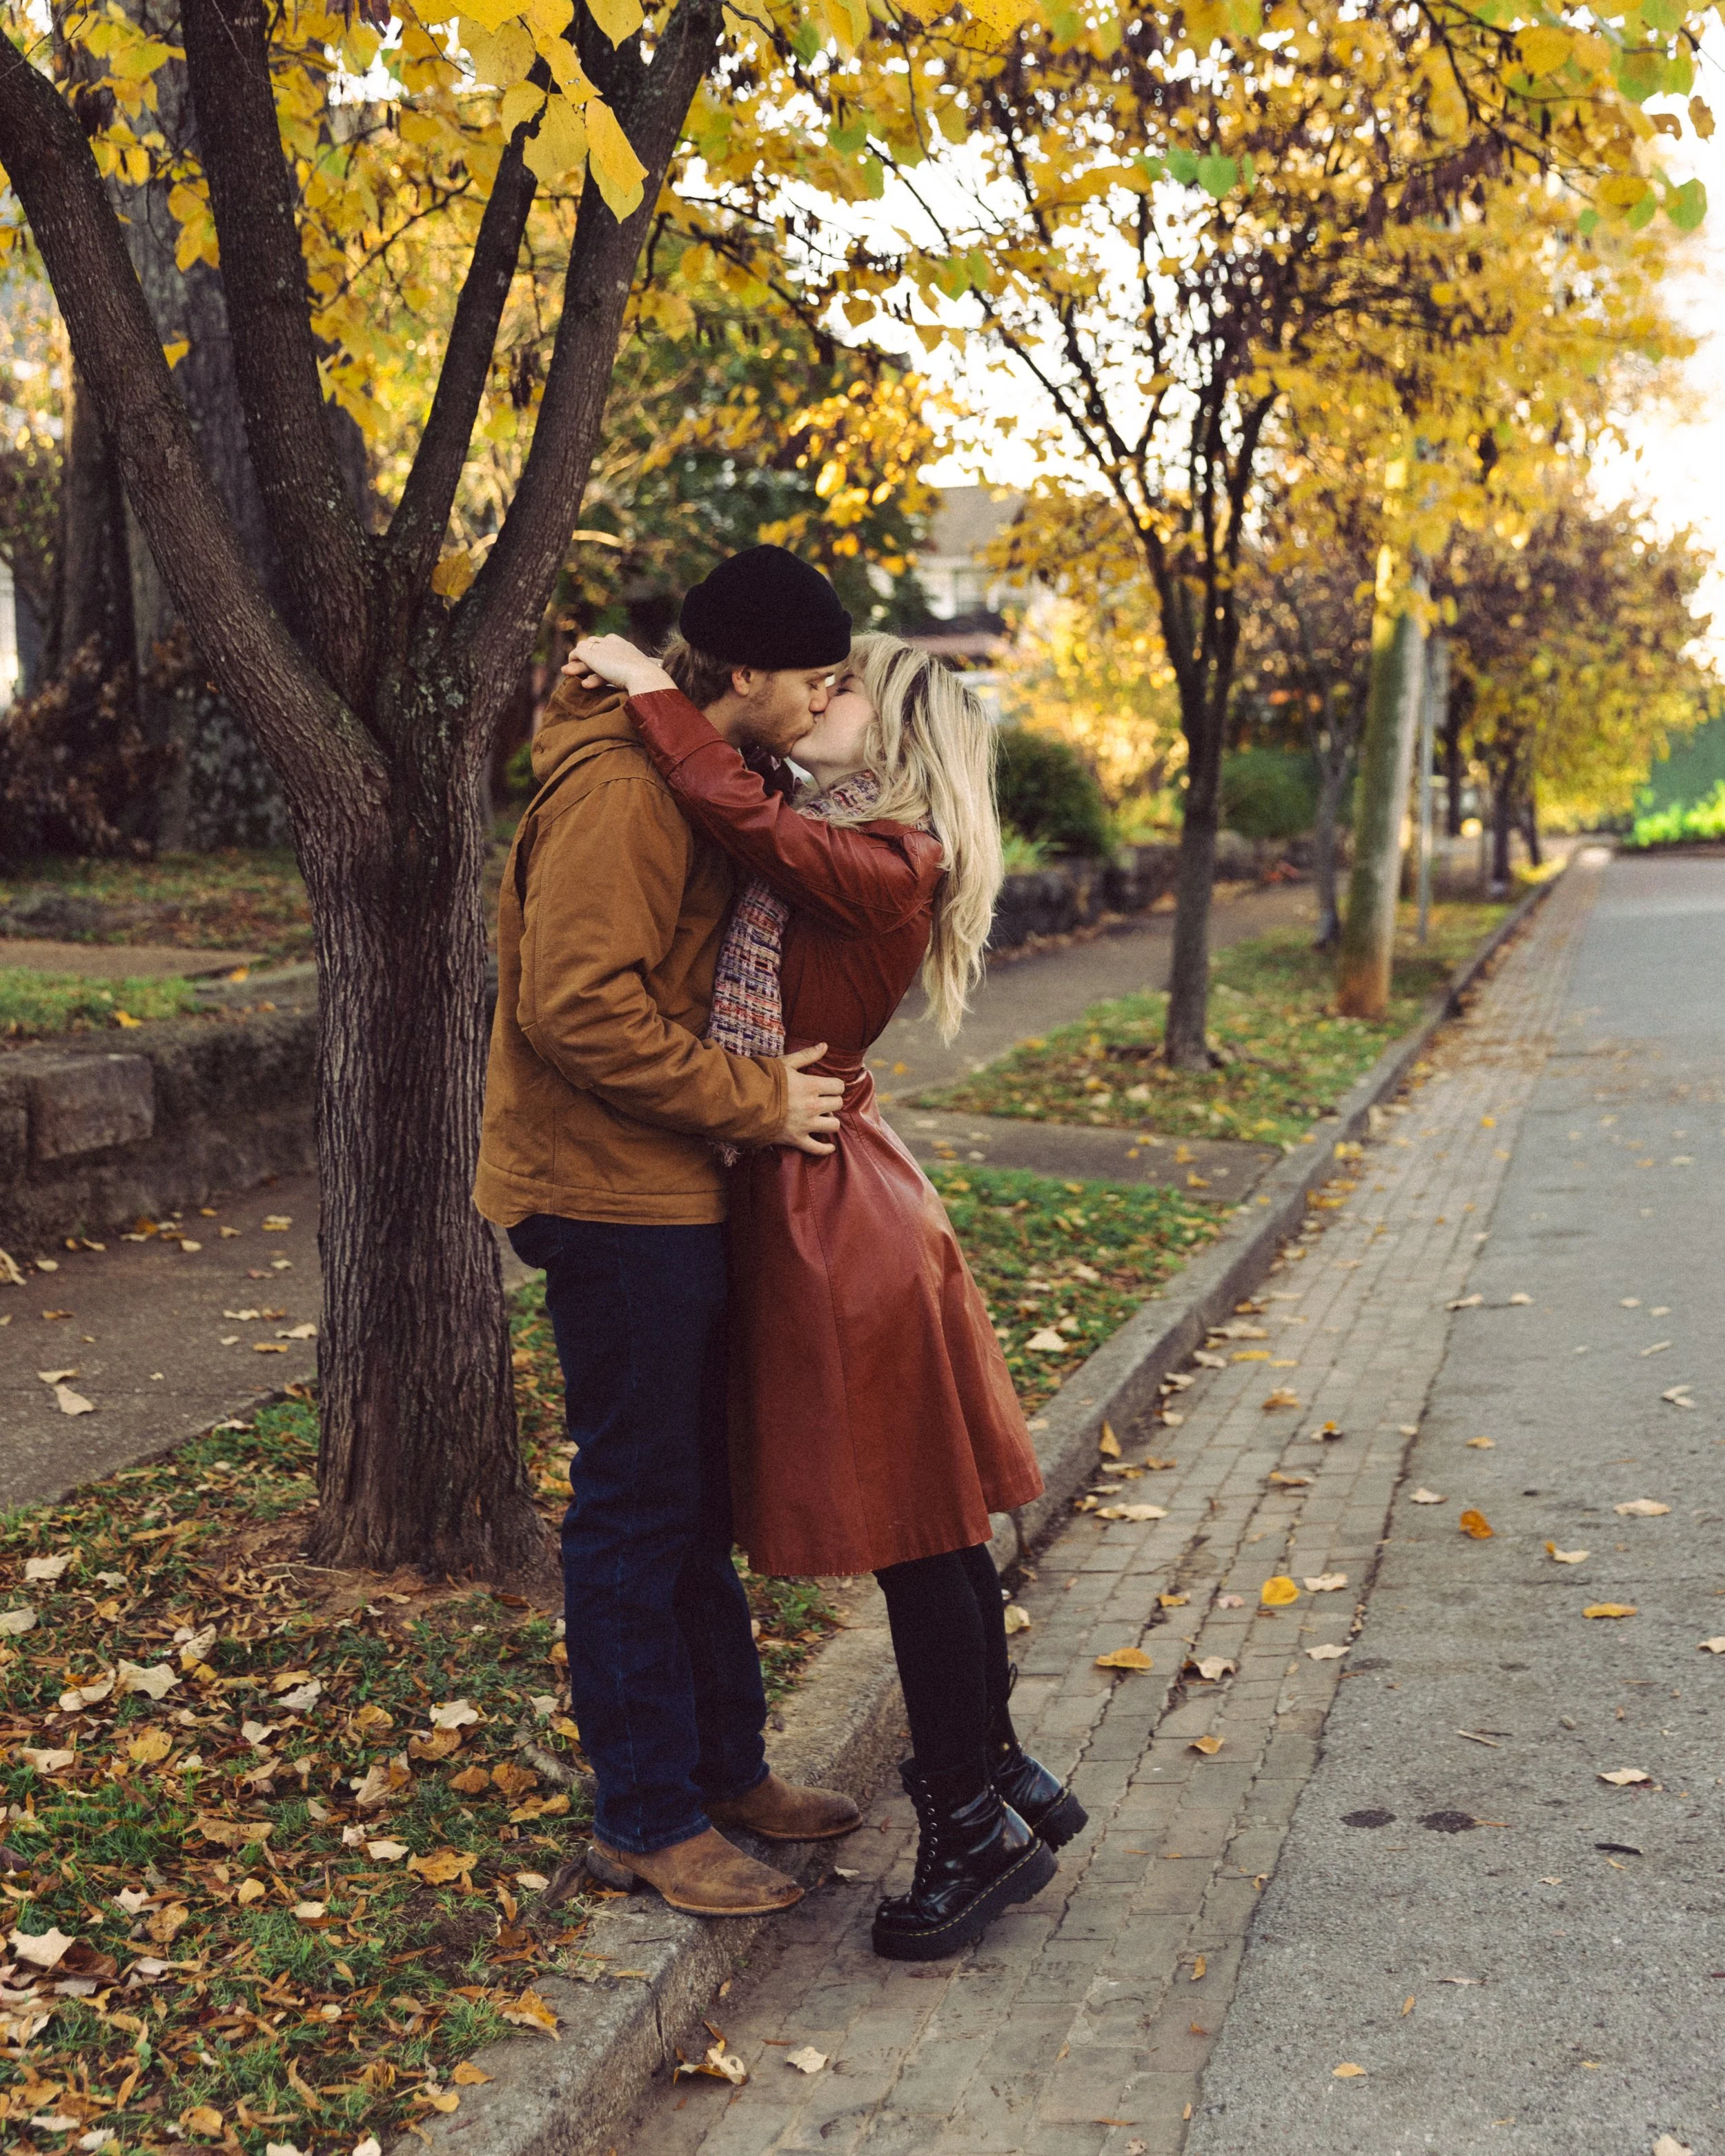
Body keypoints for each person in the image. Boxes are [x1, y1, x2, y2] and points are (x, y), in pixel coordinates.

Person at [566, 622, 1088, 1961]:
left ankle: (966, 1821)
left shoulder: (874, 854)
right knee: (938, 1525)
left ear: (897, 731)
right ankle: (997, 1768)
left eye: (850, 688)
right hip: (846, 1191)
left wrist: (650, 691)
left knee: (920, 1533)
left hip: (829, 1216)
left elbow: (738, 810)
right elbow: (759, 814)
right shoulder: (868, 838)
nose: (826, 695)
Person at [473, 546, 871, 1921]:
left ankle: (723, 1770)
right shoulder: (622, 791)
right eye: (816, 677)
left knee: (691, 1496)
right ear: (745, 674)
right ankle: (643, 1815)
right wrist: (754, 1100)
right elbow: (577, 1008)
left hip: (665, 1184)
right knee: (638, 1506)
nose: (831, 699)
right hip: (605, 1191)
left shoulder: (693, 765)